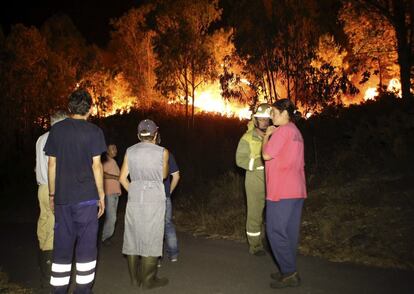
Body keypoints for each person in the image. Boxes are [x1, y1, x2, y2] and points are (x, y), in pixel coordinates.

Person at [44, 89, 107, 294]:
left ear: (69, 108)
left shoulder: (57, 130)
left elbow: (51, 164)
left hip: (63, 198)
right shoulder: (94, 132)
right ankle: (83, 290)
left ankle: (59, 291)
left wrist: (52, 194)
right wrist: (101, 195)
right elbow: (97, 166)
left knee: (62, 247)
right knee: (87, 248)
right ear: (89, 109)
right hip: (87, 199)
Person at [119, 119, 169, 290]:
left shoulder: (129, 151)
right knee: (152, 238)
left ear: (139, 134)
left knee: (132, 237)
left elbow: (122, 178)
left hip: (134, 199)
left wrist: (133, 190)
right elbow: (163, 175)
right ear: (155, 134)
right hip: (154, 199)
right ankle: (148, 280)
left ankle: (134, 280)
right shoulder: (162, 152)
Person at [262, 99, 307, 289]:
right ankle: (287, 269)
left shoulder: (282, 131)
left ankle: (289, 273)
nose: (271, 117)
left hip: (281, 190)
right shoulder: (296, 131)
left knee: (274, 231)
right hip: (297, 189)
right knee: (289, 232)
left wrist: (267, 136)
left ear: (285, 113)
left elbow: (265, 155)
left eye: (274, 112)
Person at [35, 110, 67, 288]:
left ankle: (43, 258)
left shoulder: (41, 138)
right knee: (55, 225)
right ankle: (50, 268)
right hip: (53, 187)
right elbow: (54, 165)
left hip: (41, 186)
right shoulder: (58, 139)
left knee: (44, 222)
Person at [235, 103, 272, 256]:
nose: (264, 122)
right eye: (261, 119)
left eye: (266, 119)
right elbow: (240, 160)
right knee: (255, 214)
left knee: (273, 215)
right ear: (255, 120)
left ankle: (272, 243)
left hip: (273, 181)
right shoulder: (247, 138)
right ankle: (255, 246)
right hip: (254, 181)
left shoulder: (274, 135)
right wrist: (260, 162)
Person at [156, 133, 180, 263]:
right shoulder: (167, 154)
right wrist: (168, 191)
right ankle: (174, 254)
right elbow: (176, 176)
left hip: (150, 198)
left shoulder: (143, 154)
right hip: (165, 197)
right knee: (168, 225)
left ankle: (156, 259)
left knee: (154, 227)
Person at [101, 144, 122, 246]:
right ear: (107, 151)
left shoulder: (113, 161)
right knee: (112, 218)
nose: (115, 150)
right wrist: (115, 177)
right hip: (109, 193)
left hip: (114, 194)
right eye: (113, 148)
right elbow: (101, 174)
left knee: (111, 217)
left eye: (116, 148)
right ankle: (104, 238)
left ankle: (105, 237)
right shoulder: (106, 161)